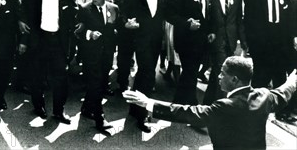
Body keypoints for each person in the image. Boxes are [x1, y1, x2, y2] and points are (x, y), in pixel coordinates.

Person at [124, 57, 297, 150]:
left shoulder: (225, 106)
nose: (218, 76)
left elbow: (186, 112)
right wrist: (293, 79)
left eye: (223, 73)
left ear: (235, 79)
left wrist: (148, 103)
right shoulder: (265, 96)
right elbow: (284, 92)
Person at [20, 0, 77, 124]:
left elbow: (72, 19)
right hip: (39, 40)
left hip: (58, 42)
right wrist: (21, 23)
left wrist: (73, 43)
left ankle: (59, 110)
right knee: (37, 76)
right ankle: (39, 106)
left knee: (60, 78)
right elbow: (23, 11)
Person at [121, 0, 170, 132]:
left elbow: (168, 15)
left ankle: (135, 109)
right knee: (147, 74)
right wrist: (127, 23)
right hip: (140, 39)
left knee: (144, 74)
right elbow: (124, 13)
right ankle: (142, 115)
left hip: (156, 40)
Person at [244, 0, 297, 122]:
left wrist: (292, 39)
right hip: (262, 46)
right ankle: (250, 110)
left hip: (281, 46)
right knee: (260, 79)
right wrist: (252, 46)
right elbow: (249, 23)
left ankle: (282, 112)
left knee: (280, 79)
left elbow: (290, 21)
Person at [168, 0, 217, 105]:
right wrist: (187, 23)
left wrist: (211, 31)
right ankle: (191, 105)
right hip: (186, 41)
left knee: (191, 73)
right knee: (190, 72)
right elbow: (170, 15)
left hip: (202, 42)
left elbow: (208, 16)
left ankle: (178, 102)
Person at [75, 0, 119, 132]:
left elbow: (115, 28)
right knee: (96, 85)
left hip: (107, 54)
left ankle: (86, 108)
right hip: (91, 55)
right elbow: (77, 32)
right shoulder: (85, 9)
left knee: (100, 82)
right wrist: (89, 34)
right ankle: (100, 118)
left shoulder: (114, 8)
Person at [204, 0, 247, 104]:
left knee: (216, 74)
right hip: (216, 40)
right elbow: (207, 17)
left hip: (231, 40)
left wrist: (244, 42)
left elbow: (239, 19)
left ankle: (207, 103)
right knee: (224, 73)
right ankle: (220, 107)